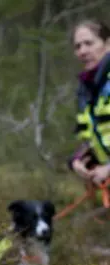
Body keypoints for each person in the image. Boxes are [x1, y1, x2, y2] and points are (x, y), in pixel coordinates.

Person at [70, 19, 110, 185]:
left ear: (108, 44)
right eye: (78, 46)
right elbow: (95, 136)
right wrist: (80, 160)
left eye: (89, 43)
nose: (83, 51)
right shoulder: (86, 89)